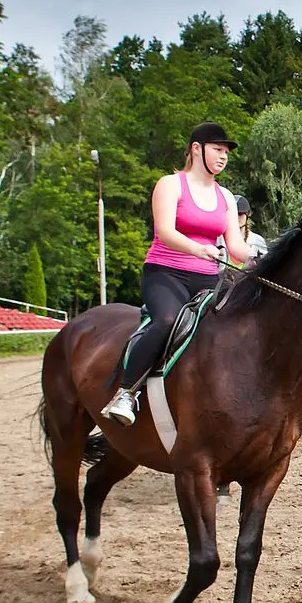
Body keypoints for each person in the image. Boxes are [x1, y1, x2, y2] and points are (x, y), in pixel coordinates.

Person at [100, 122, 256, 426]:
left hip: (208, 278)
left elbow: (235, 245)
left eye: (226, 152)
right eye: (218, 150)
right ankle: (126, 392)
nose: (224, 157)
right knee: (167, 321)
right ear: (196, 149)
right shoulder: (170, 185)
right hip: (165, 273)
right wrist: (198, 249)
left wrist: (263, 257)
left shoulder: (226, 197)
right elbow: (165, 231)